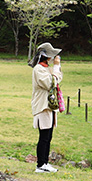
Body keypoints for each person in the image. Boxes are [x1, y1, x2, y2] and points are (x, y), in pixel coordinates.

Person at [29, 42, 63, 173]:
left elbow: (58, 78)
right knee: (43, 137)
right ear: (46, 56)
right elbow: (51, 83)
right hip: (43, 106)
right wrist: (56, 67)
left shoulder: (46, 68)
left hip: (49, 106)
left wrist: (56, 69)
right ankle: (40, 164)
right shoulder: (38, 69)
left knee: (48, 137)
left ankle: (45, 163)